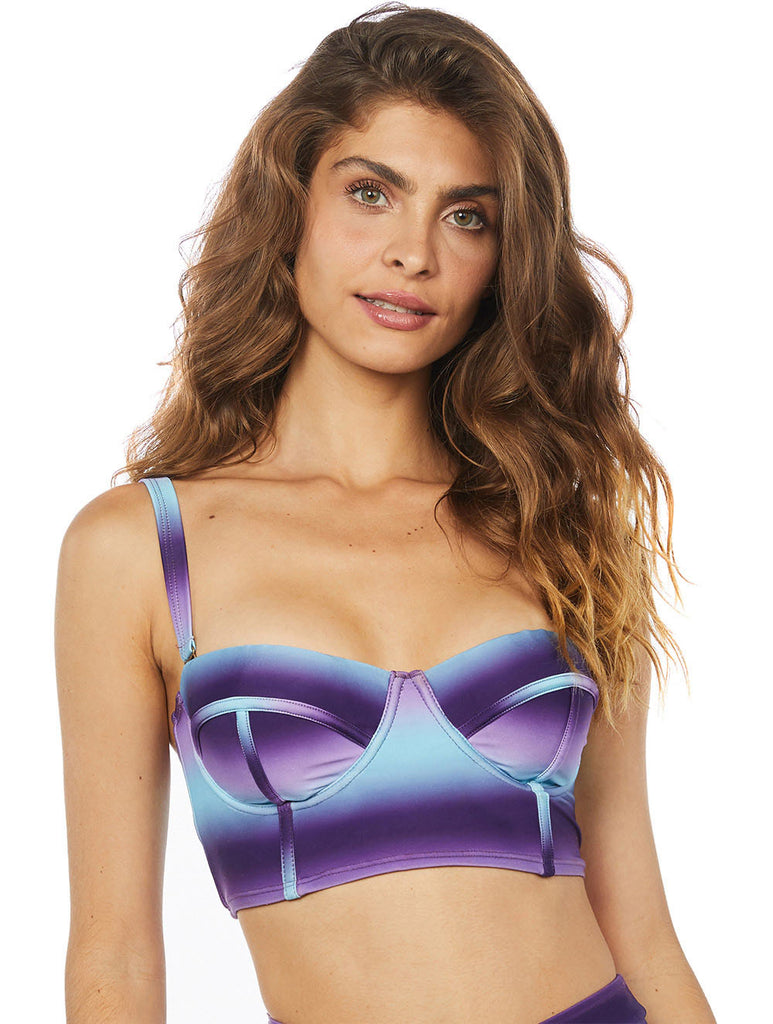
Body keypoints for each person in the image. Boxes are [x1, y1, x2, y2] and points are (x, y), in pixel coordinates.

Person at [54, 4, 717, 1022]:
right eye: (371, 193)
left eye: (465, 216)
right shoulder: (140, 549)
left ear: (503, 257)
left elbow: (643, 928)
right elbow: (114, 957)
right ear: (290, 209)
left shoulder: (557, 527)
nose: (413, 253)